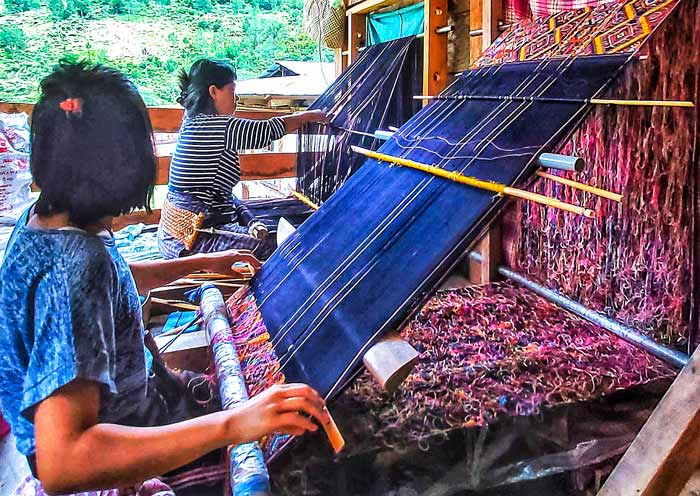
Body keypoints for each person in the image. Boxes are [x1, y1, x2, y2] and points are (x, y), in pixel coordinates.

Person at [0, 61, 327, 495]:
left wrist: (204, 264)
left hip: (131, 402)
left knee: (221, 398)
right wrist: (234, 423)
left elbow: (115, 282)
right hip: (114, 445)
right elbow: (66, 461)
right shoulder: (79, 267)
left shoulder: (44, 223)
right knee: (296, 459)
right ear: (124, 165)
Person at [158, 59, 327, 260]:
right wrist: (308, 117)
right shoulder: (212, 127)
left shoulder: (193, 122)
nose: (236, 99)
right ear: (213, 92)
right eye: (232, 92)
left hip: (187, 229)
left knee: (278, 230)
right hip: (193, 240)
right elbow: (265, 132)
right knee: (284, 246)